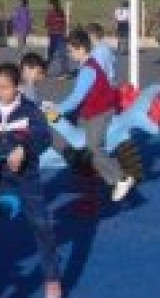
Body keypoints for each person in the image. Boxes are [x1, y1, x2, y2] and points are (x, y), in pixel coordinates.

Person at [0, 62, 63, 298]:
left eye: (4, 88)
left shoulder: (29, 110)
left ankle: (52, 276)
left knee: (40, 222)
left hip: (24, 176)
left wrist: (23, 148)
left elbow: (43, 136)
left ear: (17, 87)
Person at [55, 30, 136, 202]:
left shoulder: (88, 70)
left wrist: (56, 110)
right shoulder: (87, 66)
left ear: (81, 49)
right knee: (81, 144)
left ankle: (121, 178)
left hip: (100, 112)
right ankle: (93, 177)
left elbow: (76, 98)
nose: (69, 54)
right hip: (90, 111)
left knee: (93, 147)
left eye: (71, 50)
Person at [44, 0, 70, 77]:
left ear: (53, 4)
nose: (48, 6)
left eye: (49, 4)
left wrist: (49, 26)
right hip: (54, 35)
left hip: (58, 35)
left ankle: (64, 71)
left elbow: (48, 23)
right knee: (51, 54)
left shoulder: (56, 13)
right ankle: (44, 70)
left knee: (61, 54)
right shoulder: (56, 12)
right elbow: (47, 23)